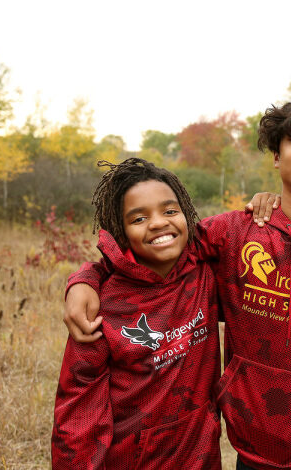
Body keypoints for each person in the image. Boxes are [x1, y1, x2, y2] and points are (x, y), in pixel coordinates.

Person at [65, 101, 291, 470]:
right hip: (253, 453)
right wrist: (87, 278)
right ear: (277, 155)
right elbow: (155, 251)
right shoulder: (233, 233)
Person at [52, 158, 222, 469]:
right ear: (121, 230)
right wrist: (84, 279)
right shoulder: (102, 306)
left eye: (170, 211)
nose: (158, 223)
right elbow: (78, 410)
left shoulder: (206, 274)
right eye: (139, 218)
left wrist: (268, 202)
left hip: (202, 456)